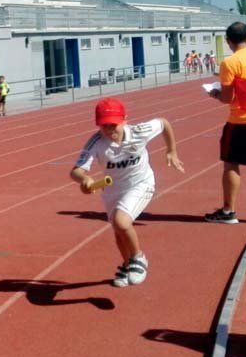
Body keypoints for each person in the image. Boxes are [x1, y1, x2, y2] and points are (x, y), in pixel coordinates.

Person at [70, 98, 184, 287]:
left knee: (122, 221)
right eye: (104, 126)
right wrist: (85, 180)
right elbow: (76, 171)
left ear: (124, 120)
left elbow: (164, 123)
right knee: (118, 230)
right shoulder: (96, 142)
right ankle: (126, 264)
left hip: (141, 184)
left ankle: (138, 259)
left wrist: (171, 150)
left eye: (114, 125)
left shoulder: (139, 131)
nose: (109, 130)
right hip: (113, 190)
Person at [205, 22, 246, 224]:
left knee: (231, 165)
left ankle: (228, 212)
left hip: (242, 121)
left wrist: (215, 93)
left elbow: (227, 98)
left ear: (228, 42)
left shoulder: (230, 63)